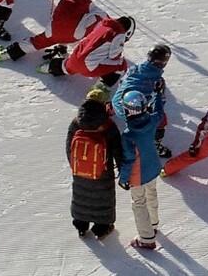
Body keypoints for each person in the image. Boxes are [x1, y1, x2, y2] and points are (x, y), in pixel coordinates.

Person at [67, 85, 123, 239]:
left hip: (80, 169)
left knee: (81, 197)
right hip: (102, 171)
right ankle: (101, 229)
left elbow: (69, 147)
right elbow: (118, 149)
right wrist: (122, 168)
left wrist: (75, 165)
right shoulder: (108, 125)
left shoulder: (76, 122)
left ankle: (81, 226)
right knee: (103, 199)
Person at [0, 0, 107, 63]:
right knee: (96, 18)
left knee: (35, 42)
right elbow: (101, 13)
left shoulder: (64, 1)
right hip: (76, 35)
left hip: (53, 33)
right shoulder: (86, 2)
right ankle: (100, 43)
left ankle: (5, 54)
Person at [117, 89, 165, 250]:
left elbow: (129, 159)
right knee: (152, 193)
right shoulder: (152, 121)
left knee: (138, 202)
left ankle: (146, 238)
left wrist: (123, 178)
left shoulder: (128, 135)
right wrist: (158, 94)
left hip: (138, 174)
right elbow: (159, 111)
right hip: (153, 166)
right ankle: (153, 223)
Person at [112, 44, 174, 157]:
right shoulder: (157, 80)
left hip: (117, 102)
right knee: (161, 119)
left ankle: (110, 110)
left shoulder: (135, 68)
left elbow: (122, 84)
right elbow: (159, 104)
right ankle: (155, 143)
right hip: (131, 113)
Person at [39, 16, 135, 87]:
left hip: (74, 57)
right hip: (88, 67)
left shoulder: (103, 26)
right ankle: (101, 88)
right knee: (122, 64)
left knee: (69, 66)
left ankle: (48, 67)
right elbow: (114, 56)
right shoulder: (119, 34)